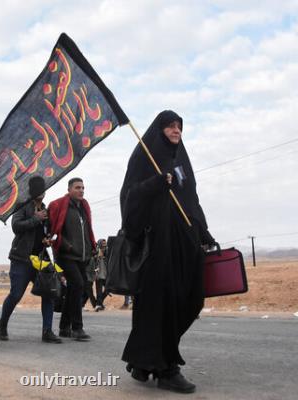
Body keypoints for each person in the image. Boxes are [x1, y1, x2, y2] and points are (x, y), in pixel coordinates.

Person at [120, 110, 216, 394]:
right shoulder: (143, 157)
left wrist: (203, 229)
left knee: (190, 299)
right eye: (170, 126)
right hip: (158, 247)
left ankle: (143, 361)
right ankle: (166, 369)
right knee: (162, 305)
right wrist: (156, 183)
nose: (176, 130)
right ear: (158, 130)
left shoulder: (181, 159)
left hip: (184, 243)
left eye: (179, 126)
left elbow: (191, 199)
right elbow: (129, 197)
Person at [0, 176, 62, 344]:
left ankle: (47, 331)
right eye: (38, 189)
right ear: (32, 191)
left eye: (43, 189)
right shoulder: (22, 206)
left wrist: (47, 238)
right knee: (16, 294)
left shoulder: (45, 209)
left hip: (40, 259)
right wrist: (36, 218)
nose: (41, 192)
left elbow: (44, 230)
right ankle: (2, 324)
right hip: (22, 258)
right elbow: (16, 227)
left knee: (48, 293)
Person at [48, 177, 95, 341]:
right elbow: (52, 231)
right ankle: (77, 328)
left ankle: (63, 327)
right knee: (78, 285)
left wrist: (91, 248)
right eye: (77, 187)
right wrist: (66, 246)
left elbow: (88, 230)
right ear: (69, 189)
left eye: (83, 188)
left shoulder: (84, 207)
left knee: (74, 290)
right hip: (66, 255)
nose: (81, 190)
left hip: (82, 256)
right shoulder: (59, 205)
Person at [94, 239, 109, 311]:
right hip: (98, 275)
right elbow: (93, 264)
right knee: (99, 292)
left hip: (106, 275)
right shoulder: (95, 252)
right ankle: (99, 305)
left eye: (105, 244)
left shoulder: (107, 253)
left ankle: (99, 302)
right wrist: (97, 256)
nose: (104, 245)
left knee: (108, 289)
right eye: (103, 244)